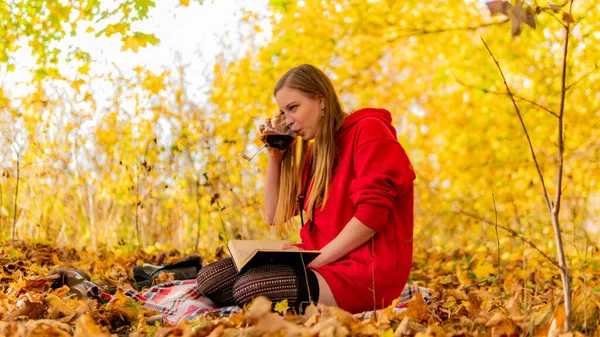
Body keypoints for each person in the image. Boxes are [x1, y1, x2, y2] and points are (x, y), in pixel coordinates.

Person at [196, 64, 415, 314]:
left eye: (293, 108)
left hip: (365, 270)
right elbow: (274, 215)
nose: (288, 120)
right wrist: (275, 158)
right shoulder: (315, 152)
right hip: (320, 257)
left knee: (251, 288)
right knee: (210, 278)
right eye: (283, 112)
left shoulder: (369, 131)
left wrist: (317, 259)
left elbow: (371, 217)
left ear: (321, 99)